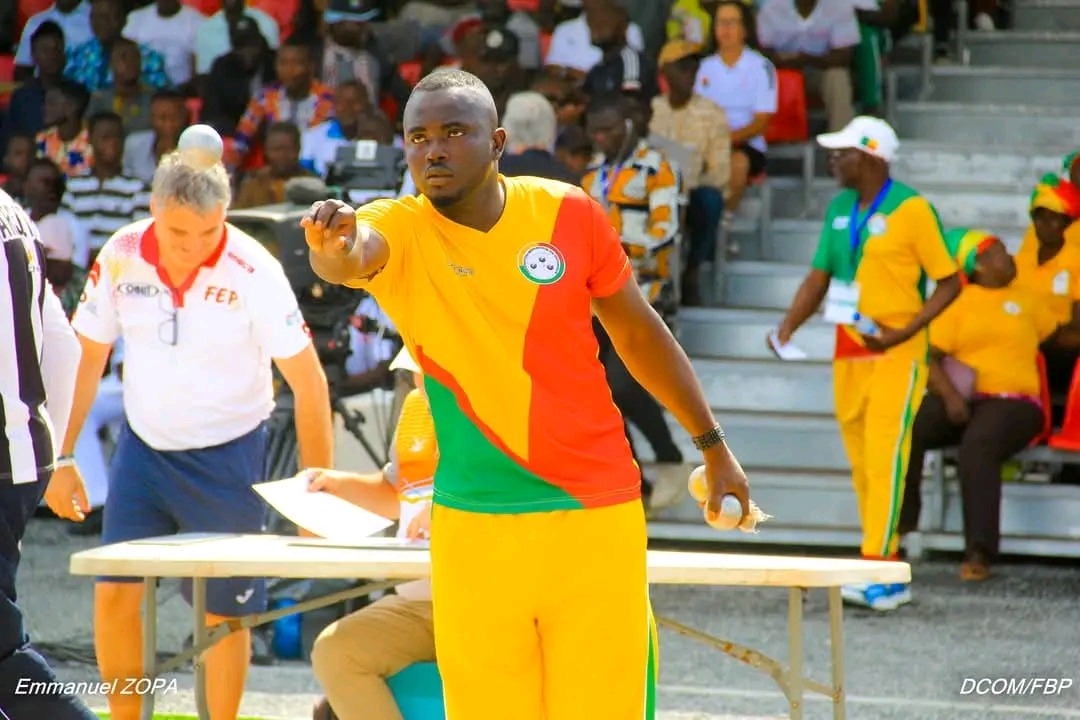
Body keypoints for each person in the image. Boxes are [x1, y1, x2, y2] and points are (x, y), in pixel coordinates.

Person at [302, 67, 752, 720]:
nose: (435, 149)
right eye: (419, 136)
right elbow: (349, 255)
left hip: (596, 517)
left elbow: (638, 332)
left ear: (498, 141)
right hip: (475, 529)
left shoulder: (568, 211)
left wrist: (712, 446)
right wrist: (334, 243)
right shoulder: (397, 228)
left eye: (455, 132)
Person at [44, 130, 336, 720]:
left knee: (224, 614)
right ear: (154, 209)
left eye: (210, 232)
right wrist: (63, 456)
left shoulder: (254, 265)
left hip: (230, 456)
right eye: (179, 233)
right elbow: (83, 357)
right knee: (116, 598)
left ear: (225, 215)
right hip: (144, 454)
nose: (195, 247)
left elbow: (310, 382)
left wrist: (317, 491)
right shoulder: (122, 252)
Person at [773, 116, 961, 611]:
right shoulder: (839, 207)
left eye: (842, 153)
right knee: (862, 465)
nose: (833, 161)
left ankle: (878, 567)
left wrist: (906, 330)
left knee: (886, 457)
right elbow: (819, 277)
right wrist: (787, 326)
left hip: (896, 351)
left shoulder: (913, 210)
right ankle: (886, 567)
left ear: (872, 156)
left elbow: (949, 280)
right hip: (849, 348)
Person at [898, 229, 1054, 582]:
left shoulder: (1028, 299)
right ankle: (902, 522)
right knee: (910, 424)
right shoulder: (958, 303)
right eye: (1000, 252)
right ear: (980, 266)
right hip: (967, 397)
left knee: (977, 446)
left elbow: (1057, 336)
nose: (1011, 257)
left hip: (1015, 402)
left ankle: (979, 551)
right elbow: (928, 355)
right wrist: (951, 397)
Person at [0, 188, 97, 720]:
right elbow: (65, 346)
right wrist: (47, 454)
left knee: (5, 660)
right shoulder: (13, 212)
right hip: (21, 455)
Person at [308, 347, 436, 720]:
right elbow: (396, 494)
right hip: (418, 603)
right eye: (417, 371)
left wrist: (451, 506)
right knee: (336, 651)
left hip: (489, 603)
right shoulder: (416, 409)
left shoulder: (500, 413)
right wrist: (337, 484)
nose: (423, 382)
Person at [581, 93, 688, 509]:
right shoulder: (591, 177)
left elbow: (666, 230)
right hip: (591, 298)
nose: (601, 138)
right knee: (597, 390)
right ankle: (635, 481)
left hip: (642, 293)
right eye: (595, 132)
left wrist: (613, 246)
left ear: (627, 125)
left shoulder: (658, 168)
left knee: (623, 382)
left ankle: (669, 455)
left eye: (607, 130)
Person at [649, 38, 730, 305]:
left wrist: (688, 183)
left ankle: (692, 272)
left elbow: (719, 172)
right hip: (651, 193)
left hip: (691, 192)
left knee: (710, 200)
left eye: (693, 67)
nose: (690, 73)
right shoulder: (650, 111)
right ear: (664, 73)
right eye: (682, 67)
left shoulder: (712, 113)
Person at [693, 0, 777, 221]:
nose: (726, 29)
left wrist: (727, 139)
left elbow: (761, 122)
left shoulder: (762, 67)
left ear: (745, 29)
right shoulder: (704, 67)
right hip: (707, 141)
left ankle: (723, 223)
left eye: (732, 22)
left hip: (746, 144)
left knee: (737, 163)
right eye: (721, 22)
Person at [1011, 174, 1080, 419]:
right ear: (1034, 221)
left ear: (1066, 224)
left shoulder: (1076, 260)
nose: (1049, 226)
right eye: (1042, 219)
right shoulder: (1020, 262)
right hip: (1026, 338)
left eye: (1057, 220)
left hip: (1060, 343)